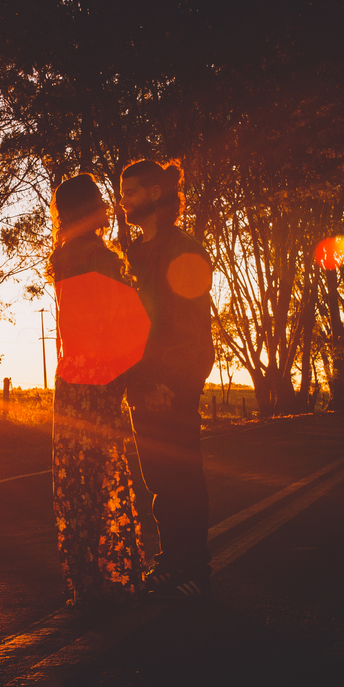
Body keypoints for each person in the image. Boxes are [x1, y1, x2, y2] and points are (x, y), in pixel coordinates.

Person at [48, 173, 147, 613]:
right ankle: (114, 577)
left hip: (71, 379)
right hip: (102, 379)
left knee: (76, 482)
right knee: (105, 473)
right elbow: (123, 322)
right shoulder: (101, 258)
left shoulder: (63, 257)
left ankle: (85, 581)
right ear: (93, 208)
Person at [119, 159, 214, 599]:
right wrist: (138, 381)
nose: (123, 202)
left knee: (183, 478)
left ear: (155, 194)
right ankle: (171, 561)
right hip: (142, 384)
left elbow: (191, 327)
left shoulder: (185, 249)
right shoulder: (135, 253)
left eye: (131, 192)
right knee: (158, 482)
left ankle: (195, 568)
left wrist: (171, 384)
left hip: (174, 386)